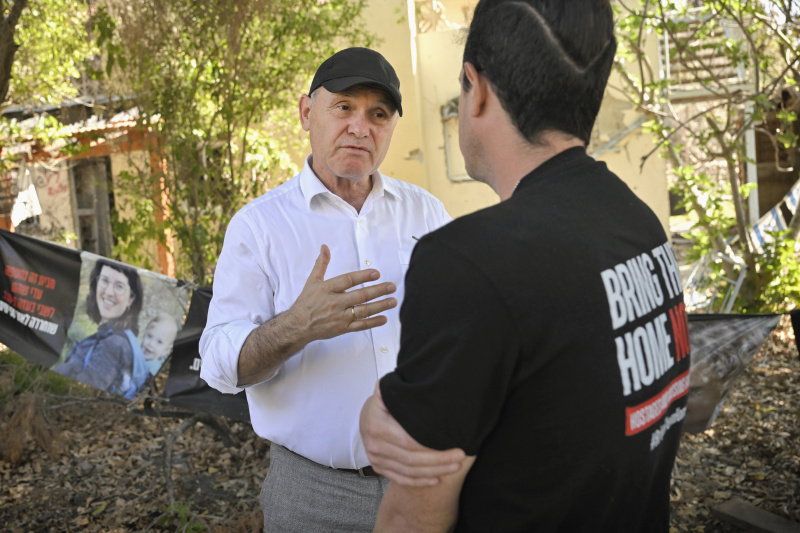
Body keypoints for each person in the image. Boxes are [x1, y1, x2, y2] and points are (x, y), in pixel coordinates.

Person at [359, 1, 692, 531]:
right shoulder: (637, 223)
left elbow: (414, 515)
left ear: (477, 89)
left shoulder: (468, 262)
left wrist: (379, 407)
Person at [198, 47, 451, 532]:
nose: (360, 127)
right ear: (305, 113)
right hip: (314, 495)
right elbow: (218, 364)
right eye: (344, 107)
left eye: (378, 114)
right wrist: (297, 326)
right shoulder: (259, 227)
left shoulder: (427, 214)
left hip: (424, 479)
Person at [55, 258, 149, 399]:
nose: (109, 292)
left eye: (119, 286)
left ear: (131, 299)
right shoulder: (107, 336)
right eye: (104, 281)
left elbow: (83, 393)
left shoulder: (114, 344)